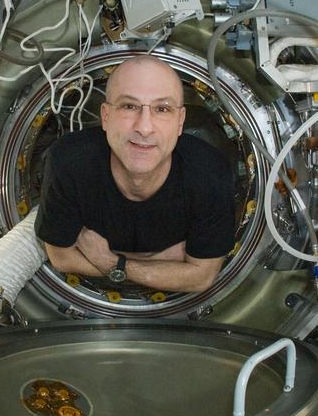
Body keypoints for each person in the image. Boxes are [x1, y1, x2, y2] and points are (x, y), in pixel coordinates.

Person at [35, 55, 235, 292]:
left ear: (180, 121)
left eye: (162, 109)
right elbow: (62, 259)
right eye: (129, 106)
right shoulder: (68, 163)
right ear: (106, 116)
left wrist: (109, 261)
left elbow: (201, 278)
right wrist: (168, 261)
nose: (144, 127)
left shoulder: (210, 175)